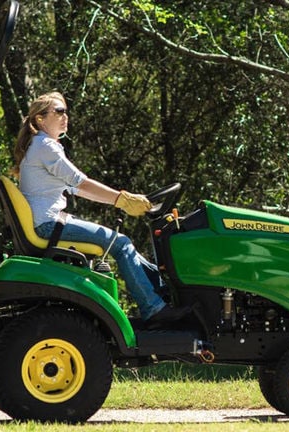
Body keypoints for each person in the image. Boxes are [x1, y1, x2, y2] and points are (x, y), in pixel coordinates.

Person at [13, 91, 191, 325]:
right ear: (40, 119)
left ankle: (163, 293)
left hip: (48, 222)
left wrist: (120, 199)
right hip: (48, 225)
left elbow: (76, 188)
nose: (65, 116)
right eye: (59, 111)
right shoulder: (45, 146)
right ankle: (154, 310)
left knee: (124, 245)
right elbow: (81, 182)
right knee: (122, 244)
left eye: (66, 111)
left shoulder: (39, 146)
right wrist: (121, 199)